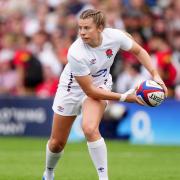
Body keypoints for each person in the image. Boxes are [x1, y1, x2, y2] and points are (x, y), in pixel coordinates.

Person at [42, 9, 168, 180]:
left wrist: (155, 75)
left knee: (89, 128)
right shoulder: (76, 52)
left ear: (100, 28)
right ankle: (48, 173)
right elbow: (89, 90)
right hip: (71, 89)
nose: (82, 33)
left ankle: (104, 178)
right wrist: (125, 97)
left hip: (101, 83)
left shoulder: (115, 36)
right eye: (80, 28)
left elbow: (138, 51)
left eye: (87, 28)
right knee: (57, 143)